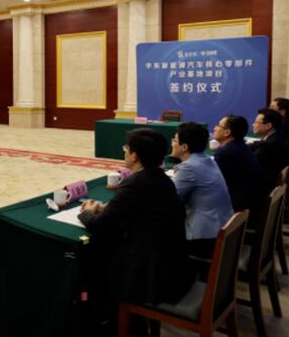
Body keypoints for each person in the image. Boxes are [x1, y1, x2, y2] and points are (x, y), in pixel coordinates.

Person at [78, 129, 191, 336]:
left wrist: (86, 213)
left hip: (152, 275)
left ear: (134, 156)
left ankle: (111, 325)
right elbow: (137, 208)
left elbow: (100, 225)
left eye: (126, 148)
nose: (125, 152)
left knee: (95, 263)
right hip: (173, 265)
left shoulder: (136, 183)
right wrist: (107, 208)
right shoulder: (161, 178)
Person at [170, 122, 233, 258]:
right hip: (223, 230)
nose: (172, 143)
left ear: (184, 147)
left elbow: (170, 200)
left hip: (204, 240)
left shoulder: (189, 168)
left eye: (174, 140)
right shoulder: (209, 160)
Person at [212, 115, 267, 226]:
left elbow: (213, 184)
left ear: (227, 132)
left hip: (237, 210)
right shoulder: (241, 146)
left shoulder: (225, 153)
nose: (214, 128)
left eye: (218, 125)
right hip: (252, 204)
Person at [251, 108, 289, 188]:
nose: (253, 125)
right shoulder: (278, 137)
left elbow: (250, 164)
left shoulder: (268, 145)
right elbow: (259, 144)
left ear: (268, 126)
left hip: (263, 186)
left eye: (256, 122)